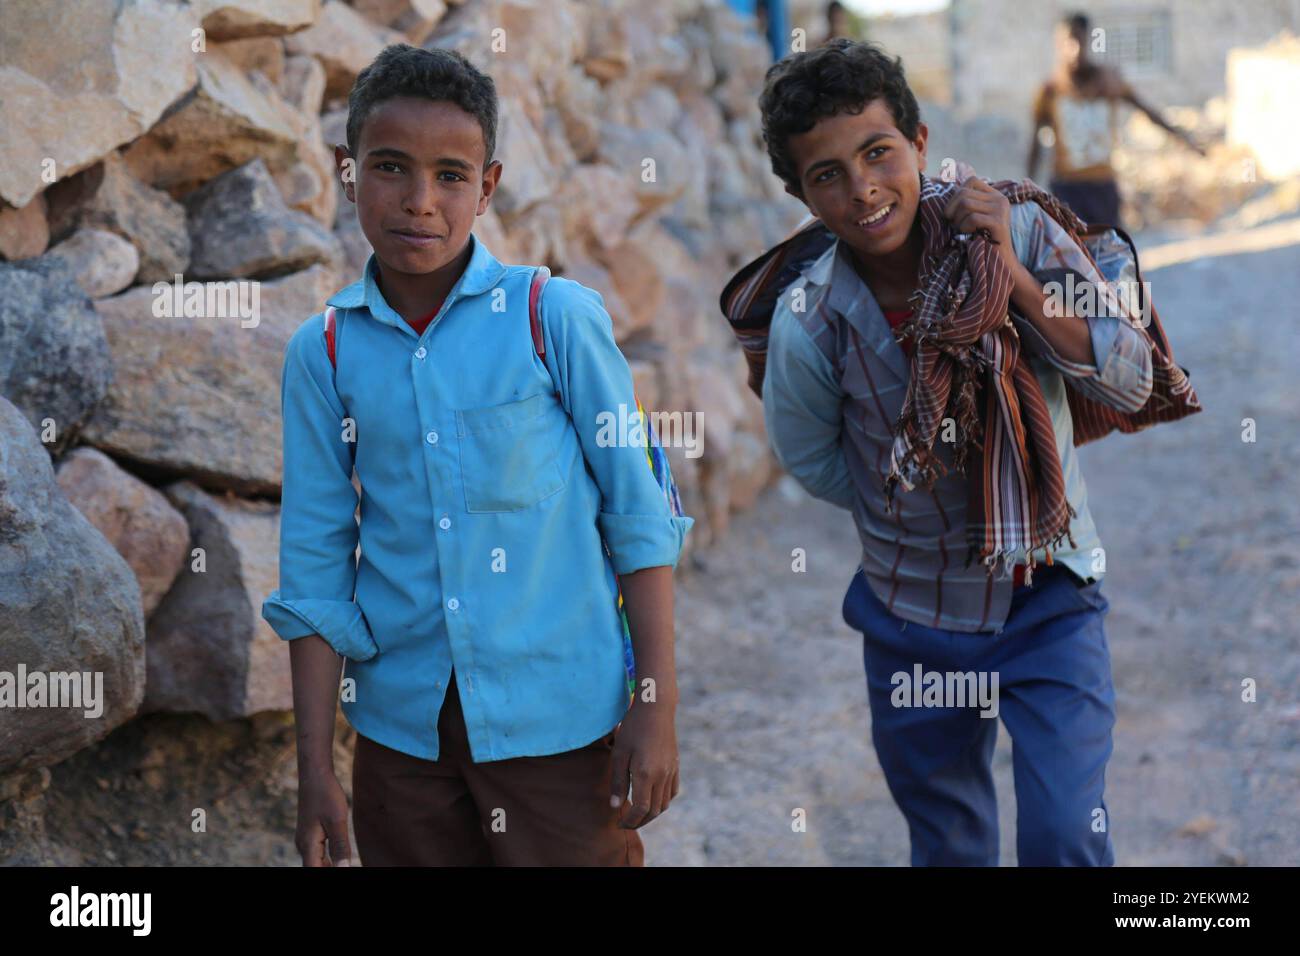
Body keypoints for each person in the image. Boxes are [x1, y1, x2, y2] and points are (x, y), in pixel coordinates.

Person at [261, 44, 693, 867]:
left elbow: (639, 514)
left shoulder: (550, 318)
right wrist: (314, 767)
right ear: (348, 173)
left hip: (558, 727)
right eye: (390, 168)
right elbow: (314, 568)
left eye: (451, 176)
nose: (420, 201)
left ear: (488, 187)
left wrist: (656, 702)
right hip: (402, 738)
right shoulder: (323, 353)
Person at [755, 39, 1168, 865]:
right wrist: (921, 498)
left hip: (1047, 598)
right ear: (799, 193)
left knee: (1063, 834)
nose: (863, 188)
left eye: (878, 153)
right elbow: (817, 459)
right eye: (827, 174)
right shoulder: (810, 321)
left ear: (918, 141)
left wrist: (1014, 281)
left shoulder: (1018, 227)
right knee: (949, 842)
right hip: (914, 621)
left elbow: (1132, 377)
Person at [1028, 11, 1205, 228]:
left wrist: (1184, 139)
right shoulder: (1050, 91)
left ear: (1088, 41)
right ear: (1059, 45)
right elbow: (1036, 141)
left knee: (1107, 253)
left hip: (1102, 185)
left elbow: (1147, 111)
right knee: (1070, 255)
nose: (1074, 50)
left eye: (1079, 41)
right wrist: (1028, 187)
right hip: (1067, 188)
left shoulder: (1108, 82)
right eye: (1068, 42)